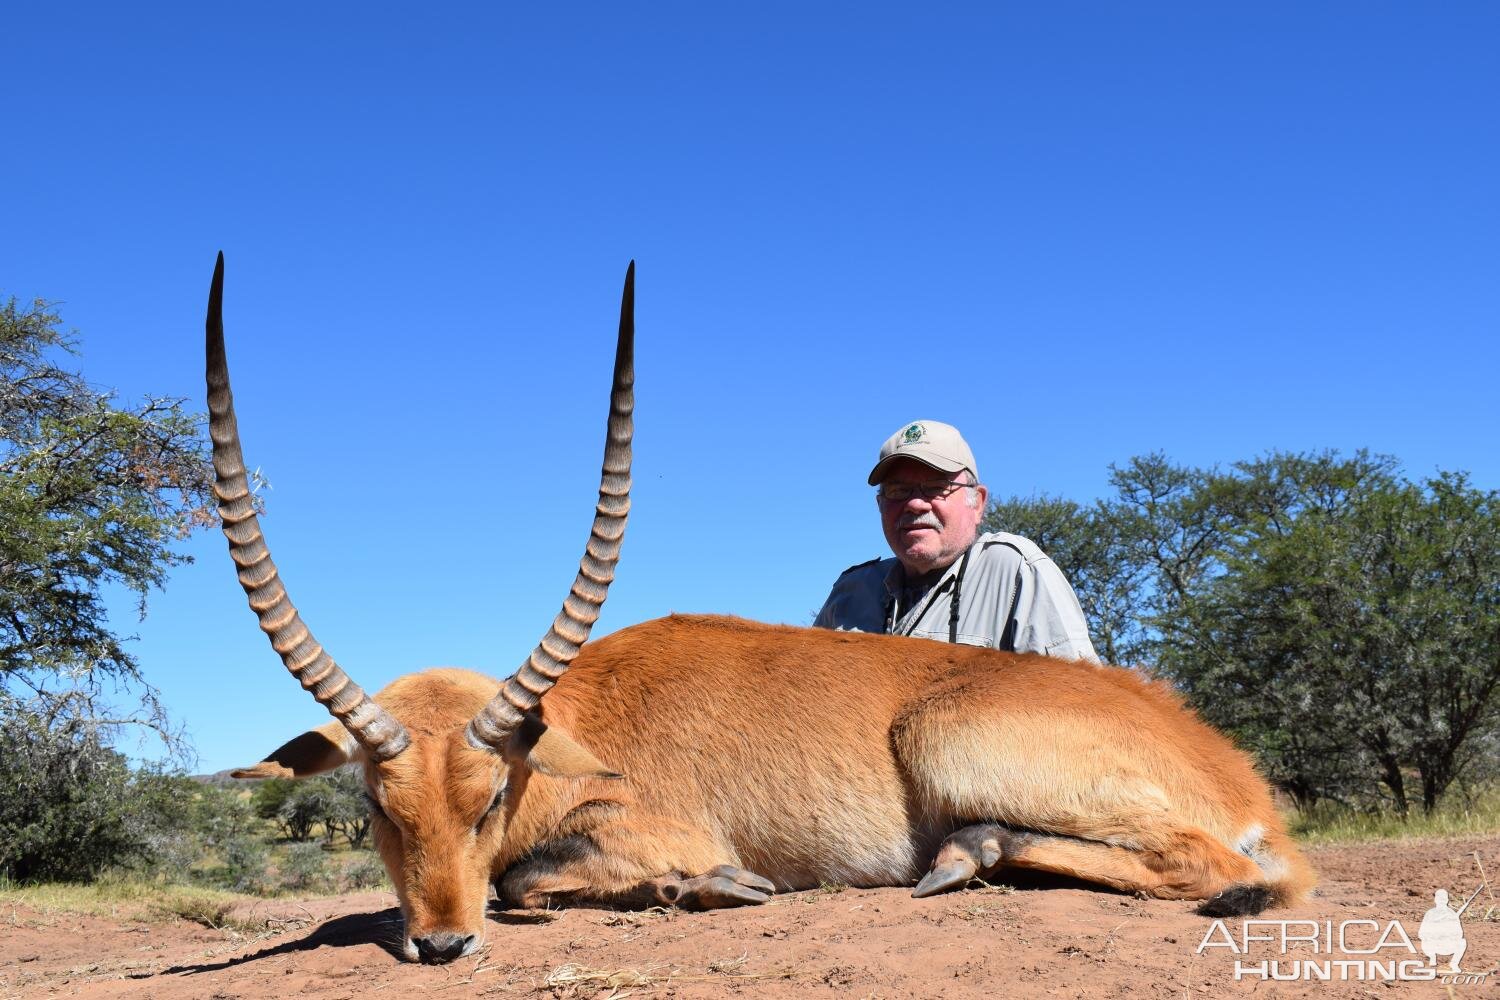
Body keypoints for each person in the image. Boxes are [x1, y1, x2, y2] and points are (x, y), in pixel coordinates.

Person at [815, 420, 1099, 661]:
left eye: (937, 488)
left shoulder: (1017, 571)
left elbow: (1081, 704)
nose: (914, 504)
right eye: (898, 490)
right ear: (880, 504)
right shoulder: (851, 592)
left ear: (977, 504)